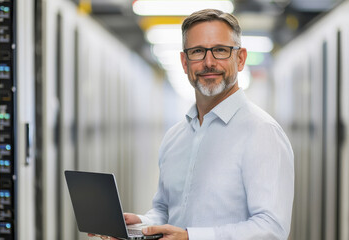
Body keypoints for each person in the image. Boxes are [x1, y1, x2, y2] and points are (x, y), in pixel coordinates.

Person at [90, 8, 294, 240]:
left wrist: (191, 237)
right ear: (184, 62)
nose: (209, 62)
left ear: (240, 58)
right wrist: (143, 225)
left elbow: (272, 229)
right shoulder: (175, 137)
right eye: (197, 51)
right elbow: (165, 210)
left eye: (220, 50)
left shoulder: (262, 133)